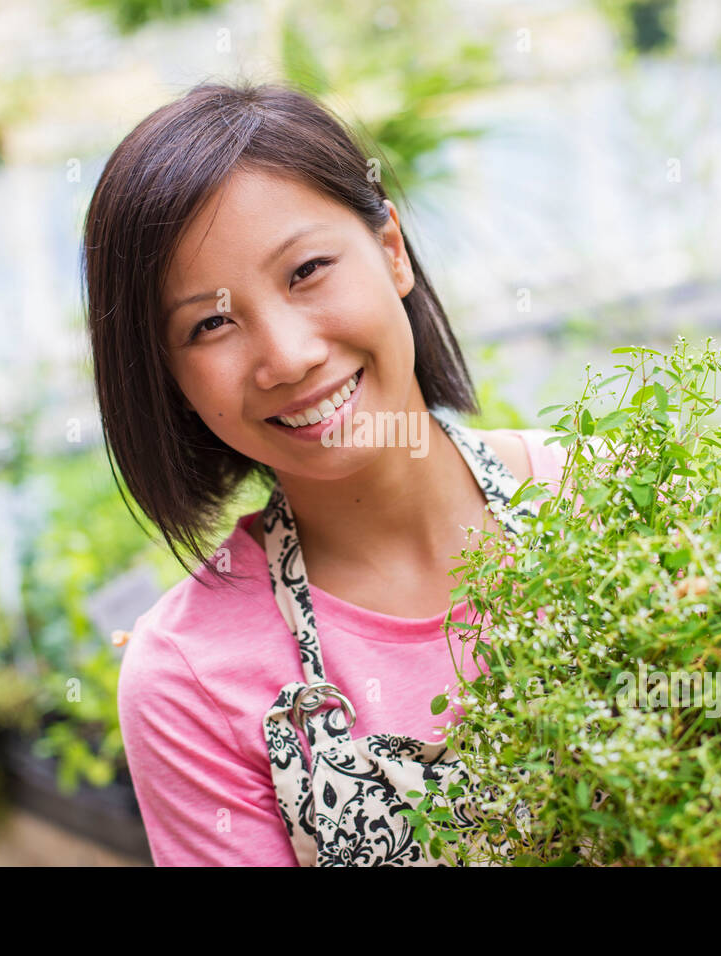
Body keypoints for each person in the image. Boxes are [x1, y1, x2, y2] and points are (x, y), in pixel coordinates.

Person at [83, 79, 564, 866]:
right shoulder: (188, 680)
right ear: (168, 377)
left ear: (391, 251)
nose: (289, 356)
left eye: (306, 270)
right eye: (211, 324)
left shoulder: (609, 492)